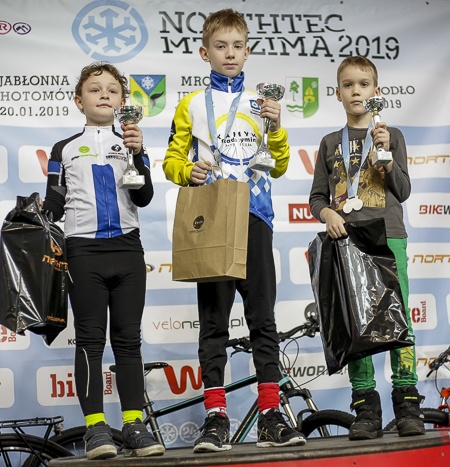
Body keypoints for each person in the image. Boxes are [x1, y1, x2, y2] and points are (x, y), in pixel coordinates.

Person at [162, 8, 306, 453]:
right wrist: (188, 171)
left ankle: (270, 415)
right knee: (213, 324)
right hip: (212, 218)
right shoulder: (191, 104)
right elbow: (171, 162)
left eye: (237, 46)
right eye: (220, 46)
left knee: (264, 320)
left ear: (248, 51)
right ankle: (216, 418)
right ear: (204, 52)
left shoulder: (263, 103)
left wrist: (276, 127)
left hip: (255, 217)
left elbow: (279, 166)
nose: (229, 53)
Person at [42, 62, 164, 460]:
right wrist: (35, 216)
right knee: (90, 342)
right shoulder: (62, 149)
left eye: (113, 90)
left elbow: (144, 197)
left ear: (123, 102)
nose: (104, 95)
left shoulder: (131, 142)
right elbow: (55, 202)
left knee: (128, 342)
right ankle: (96, 428)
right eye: (95, 89)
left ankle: (133, 424)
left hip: (128, 251)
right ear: (79, 101)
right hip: (83, 254)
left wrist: (138, 153)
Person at [308, 55, 425, 440]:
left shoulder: (391, 135)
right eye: (348, 85)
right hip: (348, 241)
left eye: (363, 84)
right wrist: (327, 213)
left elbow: (403, 191)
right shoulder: (329, 143)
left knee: (398, 317)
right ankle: (365, 408)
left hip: (388, 236)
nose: (356, 91)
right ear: (338, 93)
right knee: (356, 322)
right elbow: (316, 198)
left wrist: (386, 157)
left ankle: (407, 403)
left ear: (377, 91)